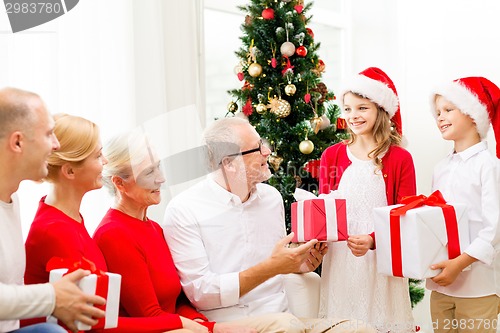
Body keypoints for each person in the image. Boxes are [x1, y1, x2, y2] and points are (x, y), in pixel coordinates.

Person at [163, 117, 375, 333]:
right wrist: (272, 267)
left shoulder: (271, 198)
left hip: (287, 320)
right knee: (286, 326)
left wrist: (302, 263)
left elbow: (278, 265)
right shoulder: (184, 209)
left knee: (360, 330)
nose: (267, 151)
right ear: (228, 163)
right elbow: (201, 294)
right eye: (257, 148)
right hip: (234, 325)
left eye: (262, 143)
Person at [93, 130, 255, 333]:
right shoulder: (114, 234)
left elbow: (179, 300)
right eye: (148, 173)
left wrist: (207, 325)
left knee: (281, 323)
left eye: (158, 167)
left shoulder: (153, 228)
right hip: (158, 330)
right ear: (119, 183)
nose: (161, 179)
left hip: (181, 327)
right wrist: (212, 329)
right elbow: (149, 316)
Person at [0, 88, 106, 333]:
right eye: (49, 134)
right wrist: (52, 297)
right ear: (18, 142)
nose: (56, 145)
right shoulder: (53, 226)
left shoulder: (12, 199)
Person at [318, 67, 416, 332]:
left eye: (362, 108)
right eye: (347, 109)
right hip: (340, 260)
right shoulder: (331, 156)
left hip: (380, 259)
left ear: (380, 110)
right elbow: (325, 208)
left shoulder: (399, 158)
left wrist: (374, 239)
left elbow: (405, 213)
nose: (353, 116)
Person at [427, 76, 500, 333]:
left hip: (479, 288)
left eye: (448, 109)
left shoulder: (489, 166)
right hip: (442, 285)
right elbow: (434, 221)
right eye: (437, 112)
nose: (440, 117)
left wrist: (459, 264)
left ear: (473, 115)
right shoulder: (441, 168)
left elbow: (493, 229)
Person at [23, 114, 109, 329]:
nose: (105, 161)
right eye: (98, 156)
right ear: (70, 171)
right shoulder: (56, 230)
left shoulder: (67, 218)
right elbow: (93, 323)